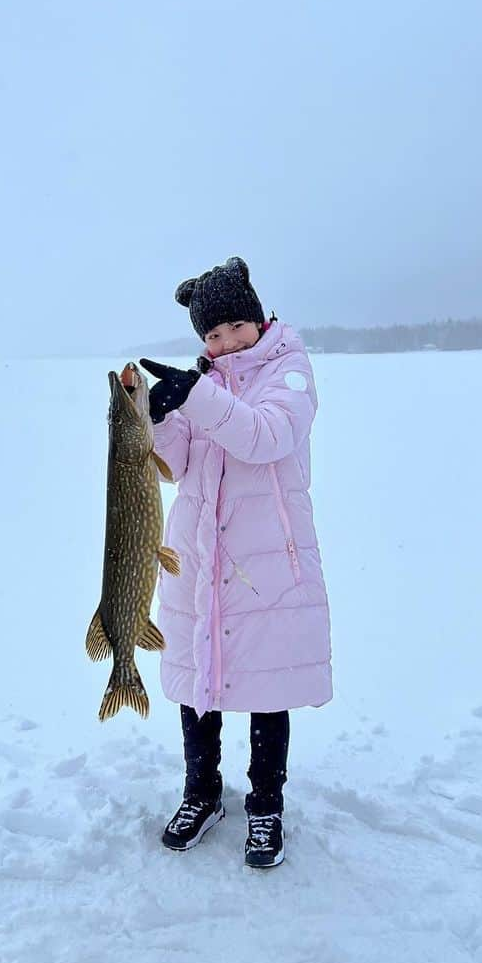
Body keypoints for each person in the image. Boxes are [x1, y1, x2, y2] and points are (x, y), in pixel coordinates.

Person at [140, 256, 332, 869]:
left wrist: (195, 397)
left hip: (268, 562)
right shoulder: (209, 383)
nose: (224, 343)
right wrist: (157, 416)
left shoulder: (290, 373)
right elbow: (177, 466)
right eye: (212, 335)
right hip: (199, 556)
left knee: (266, 686)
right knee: (200, 680)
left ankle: (265, 804)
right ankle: (202, 793)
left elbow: (265, 436)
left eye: (233, 329)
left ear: (257, 320)